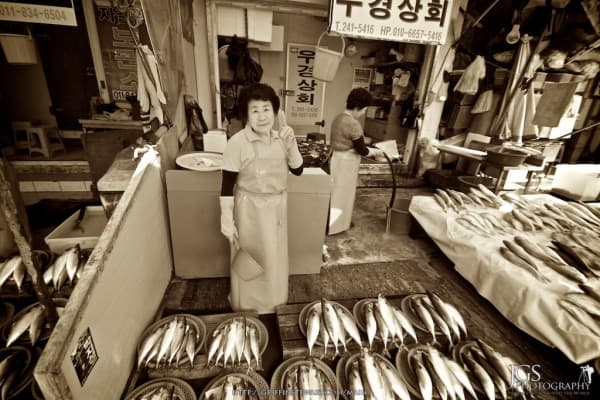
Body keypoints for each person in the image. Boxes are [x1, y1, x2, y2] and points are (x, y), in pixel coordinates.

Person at [219, 83, 303, 314]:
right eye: (254, 110)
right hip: (249, 210)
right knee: (250, 257)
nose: (262, 116)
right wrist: (226, 217)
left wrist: (291, 144)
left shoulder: (281, 138)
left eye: (266, 109)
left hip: (277, 209)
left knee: (274, 256)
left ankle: (273, 302)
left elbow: (298, 170)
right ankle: (246, 304)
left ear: (275, 112)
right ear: (246, 115)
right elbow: (227, 185)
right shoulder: (237, 142)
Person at [328, 88, 384, 235]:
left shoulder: (338, 118)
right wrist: (376, 151)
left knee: (334, 194)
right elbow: (363, 151)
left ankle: (331, 224)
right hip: (346, 164)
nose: (364, 113)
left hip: (336, 160)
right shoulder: (353, 124)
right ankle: (337, 226)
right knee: (343, 196)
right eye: (365, 109)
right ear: (358, 107)